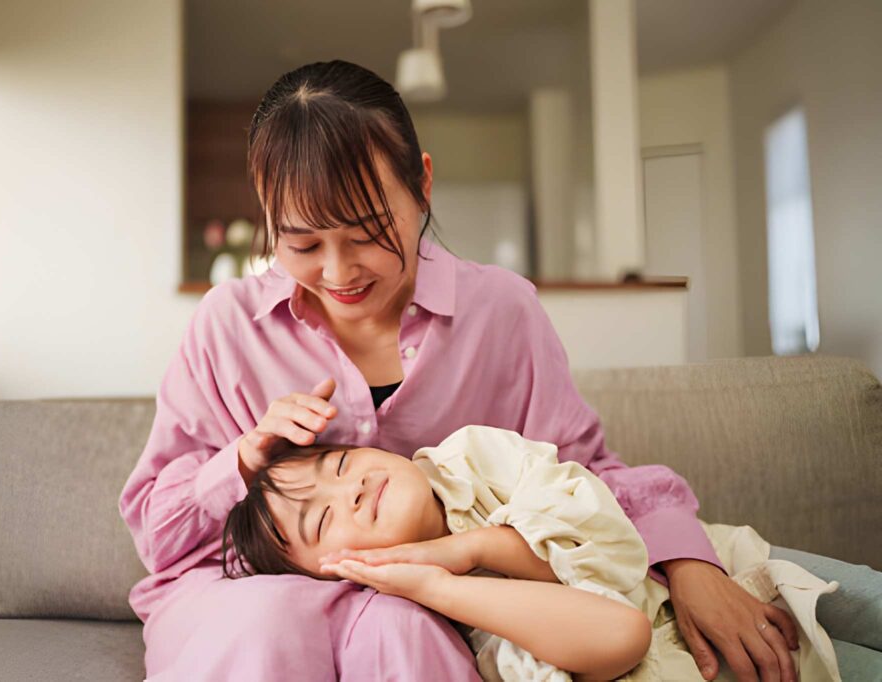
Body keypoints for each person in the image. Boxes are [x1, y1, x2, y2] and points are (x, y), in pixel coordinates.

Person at [119, 59, 881, 682]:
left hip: (531, 585)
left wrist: (688, 564)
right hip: (299, 599)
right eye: (302, 244)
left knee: (837, 603)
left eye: (365, 232)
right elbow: (159, 537)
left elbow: (584, 473)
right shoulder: (229, 327)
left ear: (421, 184)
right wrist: (243, 457)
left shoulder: (499, 312)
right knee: (303, 622)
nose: (337, 271)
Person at [220, 425, 840, 681]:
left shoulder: (472, 458)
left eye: (341, 463)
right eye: (325, 516)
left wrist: (463, 549)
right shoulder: (449, 628)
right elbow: (620, 634)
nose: (350, 487)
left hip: (730, 567)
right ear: (341, 572)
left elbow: (608, 542)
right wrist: (439, 584)